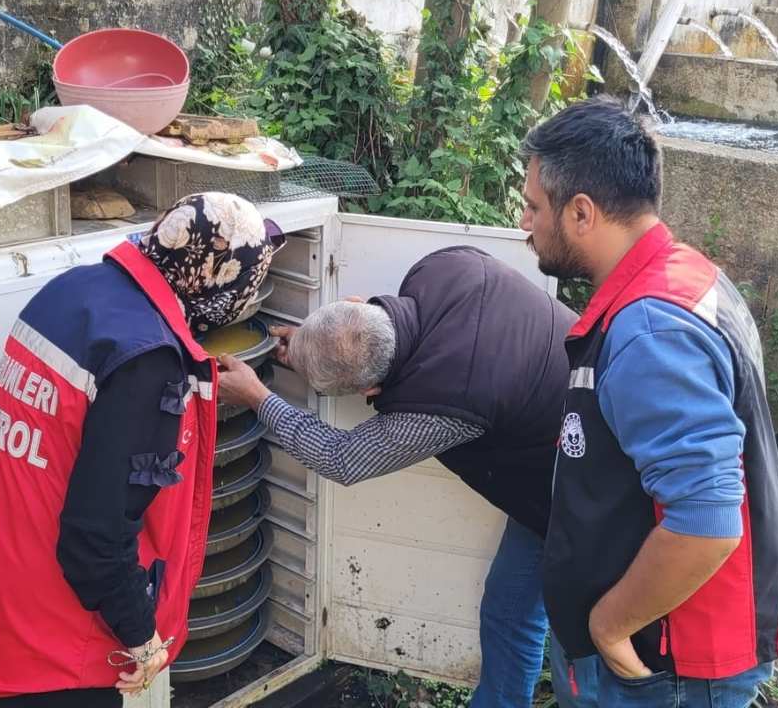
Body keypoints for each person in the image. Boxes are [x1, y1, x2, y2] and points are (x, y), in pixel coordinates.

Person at [0, 193, 286, 708]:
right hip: (51, 647)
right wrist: (142, 636)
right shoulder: (147, 360)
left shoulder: (76, 290)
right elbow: (95, 537)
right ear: (216, 281)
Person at [518, 95, 778, 708]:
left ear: (581, 213)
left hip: (667, 662)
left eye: (534, 206)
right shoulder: (684, 274)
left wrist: (609, 626)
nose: (525, 223)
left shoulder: (650, 333)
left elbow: (705, 520)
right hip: (671, 648)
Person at [216, 245, 596, 707]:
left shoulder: (445, 401)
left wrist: (258, 397)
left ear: (371, 390)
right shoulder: (447, 267)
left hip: (594, 498)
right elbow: (358, 335)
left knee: (583, 657)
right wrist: (312, 343)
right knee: (509, 609)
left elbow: (342, 458)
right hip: (568, 444)